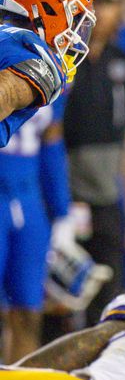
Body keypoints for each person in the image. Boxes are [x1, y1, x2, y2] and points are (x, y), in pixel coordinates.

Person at [62, 0, 125, 325]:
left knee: (108, 293)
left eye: (108, 3)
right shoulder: (62, 58)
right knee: (60, 298)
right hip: (68, 194)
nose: (100, 12)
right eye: (96, 2)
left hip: (107, 195)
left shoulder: (124, 63)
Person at [0, 98, 71, 363]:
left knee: (28, 312)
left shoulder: (53, 66)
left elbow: (52, 137)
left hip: (30, 200)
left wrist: (62, 211)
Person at [0, 0, 95, 146]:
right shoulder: (32, 55)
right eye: (74, 20)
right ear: (50, 10)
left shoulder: (7, 37)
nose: (74, 38)